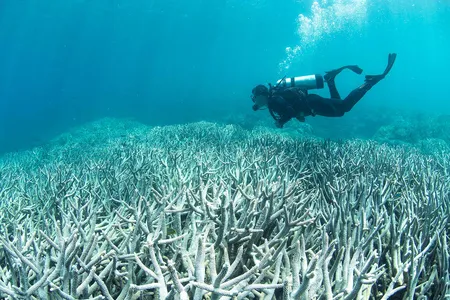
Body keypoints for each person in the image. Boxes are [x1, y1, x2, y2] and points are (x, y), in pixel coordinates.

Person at [251, 53, 397, 128]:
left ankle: (368, 83)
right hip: (311, 103)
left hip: (313, 104)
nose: (256, 102)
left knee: (343, 108)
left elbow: (288, 111)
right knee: (339, 107)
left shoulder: (274, 100)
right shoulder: (275, 97)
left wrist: (281, 122)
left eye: (255, 98)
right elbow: (292, 108)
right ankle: (330, 80)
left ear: (262, 95)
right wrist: (298, 115)